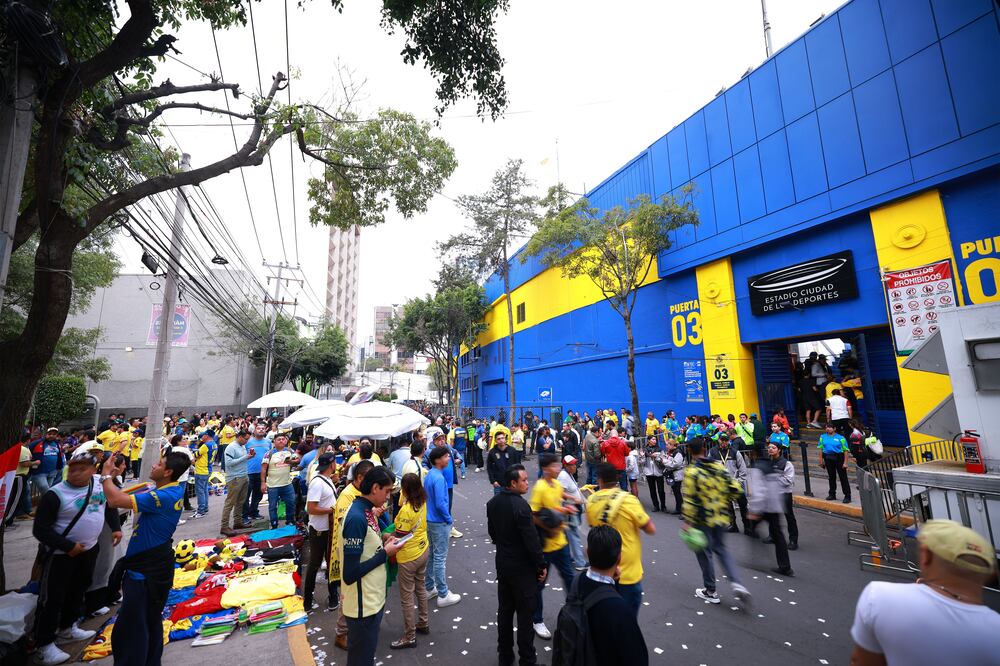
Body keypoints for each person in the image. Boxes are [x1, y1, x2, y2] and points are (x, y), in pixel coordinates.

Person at [849, 520, 1000, 665]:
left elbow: (863, 661)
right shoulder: (995, 631)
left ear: (926, 555)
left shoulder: (880, 597)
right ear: (990, 574)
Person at [101, 449, 190, 666]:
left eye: (159, 464)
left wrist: (105, 475)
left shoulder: (161, 496)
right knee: (148, 621)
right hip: (153, 566)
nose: (153, 465)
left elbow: (114, 500)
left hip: (144, 573)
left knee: (132, 628)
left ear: (168, 472)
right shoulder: (170, 490)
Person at [32, 450, 120, 666]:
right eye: (72, 469)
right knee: (52, 598)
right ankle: (43, 645)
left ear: (93, 470)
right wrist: (68, 546)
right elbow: (40, 530)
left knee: (78, 590)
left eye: (82, 469)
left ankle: (67, 628)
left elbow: (108, 505)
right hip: (61, 556)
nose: (76, 473)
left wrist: (116, 528)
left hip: (89, 550)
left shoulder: (99, 484)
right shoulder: (55, 494)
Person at [554, 525, 649, 666]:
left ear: (587, 552)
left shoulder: (577, 581)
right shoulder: (621, 610)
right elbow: (637, 658)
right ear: (619, 558)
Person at [340, 466, 403, 666]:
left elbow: (367, 547)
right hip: (362, 607)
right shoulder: (356, 518)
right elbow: (350, 573)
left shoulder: (366, 511)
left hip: (371, 601)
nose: (388, 496)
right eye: (387, 491)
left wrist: (384, 539)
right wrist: (385, 553)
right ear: (375, 488)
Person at [681, 438, 752, 609]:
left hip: (701, 519)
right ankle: (736, 583)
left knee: (704, 553)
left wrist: (687, 521)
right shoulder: (719, 467)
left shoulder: (692, 472)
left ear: (690, 451)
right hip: (720, 516)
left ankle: (710, 590)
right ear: (704, 450)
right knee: (721, 549)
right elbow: (735, 489)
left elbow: (690, 499)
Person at [487, 464, 546, 666]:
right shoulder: (521, 507)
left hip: (503, 564)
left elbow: (493, 534)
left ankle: (505, 655)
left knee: (505, 611)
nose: (528, 483)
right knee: (524, 616)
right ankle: (527, 659)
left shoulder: (493, 503)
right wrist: (541, 565)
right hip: (522, 569)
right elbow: (531, 540)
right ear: (513, 483)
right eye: (524, 480)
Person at [585, 462, 655, 616]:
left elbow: (593, 528)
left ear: (599, 480)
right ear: (617, 479)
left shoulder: (592, 500)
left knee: (605, 616)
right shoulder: (629, 500)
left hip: (603, 570)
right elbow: (650, 529)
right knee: (627, 619)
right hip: (627, 571)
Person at [530, 453, 579, 639]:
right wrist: (549, 528)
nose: (558, 468)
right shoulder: (539, 488)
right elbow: (534, 515)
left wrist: (568, 506)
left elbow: (556, 505)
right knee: (539, 584)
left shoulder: (557, 485)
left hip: (561, 543)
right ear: (545, 469)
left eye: (558, 465)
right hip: (545, 547)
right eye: (554, 466)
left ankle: (574, 613)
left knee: (570, 579)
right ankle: (537, 620)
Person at [331, 460, 375, 651]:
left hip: (359, 548)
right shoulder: (347, 495)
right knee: (348, 592)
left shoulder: (359, 493)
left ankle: (355, 627)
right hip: (347, 551)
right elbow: (347, 525)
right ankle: (341, 633)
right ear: (359, 478)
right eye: (370, 479)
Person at [390, 472, 431, 649]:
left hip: (409, 556)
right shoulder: (422, 501)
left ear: (406, 489)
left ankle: (409, 636)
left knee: (407, 597)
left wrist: (386, 536)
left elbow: (399, 535)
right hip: (423, 549)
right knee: (420, 587)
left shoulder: (407, 510)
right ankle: (423, 622)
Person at [748, 443, 795, 576]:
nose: (770, 449)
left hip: (764, 507)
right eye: (769, 448)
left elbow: (759, 491)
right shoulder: (770, 465)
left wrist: (755, 510)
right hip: (774, 505)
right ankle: (785, 567)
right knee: (778, 536)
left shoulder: (759, 467)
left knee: (752, 530)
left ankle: (758, 559)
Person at [424, 446, 461, 607]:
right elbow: (440, 503)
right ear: (438, 460)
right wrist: (448, 518)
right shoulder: (438, 478)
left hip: (430, 520)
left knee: (433, 556)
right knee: (439, 558)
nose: (448, 459)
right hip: (439, 522)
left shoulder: (430, 475)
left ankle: (430, 587)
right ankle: (443, 594)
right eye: (446, 456)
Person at [302, 453, 339, 611]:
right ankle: (308, 600)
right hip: (319, 530)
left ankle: (333, 596)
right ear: (331, 465)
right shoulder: (317, 483)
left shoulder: (327, 479)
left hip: (329, 529)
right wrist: (332, 510)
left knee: (331, 562)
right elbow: (311, 508)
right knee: (315, 564)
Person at [709, 434, 752, 535]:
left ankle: (747, 527)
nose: (724, 442)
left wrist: (737, 482)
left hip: (736, 485)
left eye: (726, 440)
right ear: (718, 440)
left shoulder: (735, 452)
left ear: (729, 441)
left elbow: (743, 469)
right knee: (728, 506)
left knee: (743, 505)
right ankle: (733, 525)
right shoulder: (712, 452)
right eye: (722, 440)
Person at [261, 434, 298, 529]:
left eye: (283, 439)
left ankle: (290, 521)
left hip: (287, 484)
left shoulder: (290, 451)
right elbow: (263, 469)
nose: (281, 441)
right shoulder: (269, 454)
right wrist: (263, 483)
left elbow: (298, 460)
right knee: (273, 506)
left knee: (291, 503)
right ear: (274, 442)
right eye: (279, 439)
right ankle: (274, 524)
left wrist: (292, 462)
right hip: (273, 485)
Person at [556, 456, 587, 570]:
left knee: (567, 535)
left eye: (575, 464)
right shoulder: (563, 476)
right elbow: (560, 493)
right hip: (569, 509)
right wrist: (573, 499)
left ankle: (566, 557)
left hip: (572, 508)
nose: (574, 466)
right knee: (573, 535)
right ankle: (580, 563)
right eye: (572, 465)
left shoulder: (568, 474)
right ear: (565, 465)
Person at [242, 424, 272, 523]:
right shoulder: (248, 442)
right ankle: (244, 515)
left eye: (263, 428)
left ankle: (253, 512)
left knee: (258, 494)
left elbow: (270, 455)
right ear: (254, 431)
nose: (261, 430)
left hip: (262, 472)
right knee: (246, 495)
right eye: (258, 428)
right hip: (248, 472)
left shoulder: (268, 442)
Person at [818, 423, 851, 503]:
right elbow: (821, 449)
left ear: (834, 428)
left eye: (829, 427)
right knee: (831, 477)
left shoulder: (841, 438)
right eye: (826, 427)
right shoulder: (822, 437)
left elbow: (846, 451)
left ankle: (847, 496)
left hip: (839, 457)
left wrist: (845, 463)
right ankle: (832, 494)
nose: (827, 429)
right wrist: (821, 461)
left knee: (843, 477)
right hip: (828, 458)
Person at [29, 428, 65, 498]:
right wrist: (32, 463)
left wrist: (59, 468)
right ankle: (49, 503)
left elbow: (60, 456)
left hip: (52, 472)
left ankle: (43, 504)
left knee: (45, 493)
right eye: (49, 434)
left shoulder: (57, 444)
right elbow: (28, 452)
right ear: (46, 434)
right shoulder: (36, 443)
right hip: (39, 472)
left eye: (54, 434)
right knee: (46, 491)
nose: (51, 436)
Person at [487, 432, 522, 496]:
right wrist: (493, 481)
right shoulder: (492, 452)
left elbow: (518, 466)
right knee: (499, 502)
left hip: (512, 484)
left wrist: (518, 480)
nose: (501, 440)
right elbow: (489, 467)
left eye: (502, 438)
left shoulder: (512, 450)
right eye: (498, 439)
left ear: (505, 439)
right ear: (495, 441)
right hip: (499, 485)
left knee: (513, 501)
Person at [190, 431, 213, 518]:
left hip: (201, 470)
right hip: (208, 469)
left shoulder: (206, 445)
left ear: (206, 436)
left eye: (202, 436)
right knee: (204, 490)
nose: (201, 438)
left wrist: (195, 454)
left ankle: (201, 511)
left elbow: (195, 455)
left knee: (200, 491)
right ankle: (205, 508)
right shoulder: (214, 444)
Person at [640, 435, 666, 512]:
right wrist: (642, 456)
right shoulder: (644, 450)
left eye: (655, 439)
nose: (654, 441)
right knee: (652, 490)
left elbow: (663, 460)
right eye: (653, 439)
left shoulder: (659, 449)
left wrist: (656, 457)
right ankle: (656, 506)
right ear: (648, 440)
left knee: (661, 490)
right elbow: (641, 462)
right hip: (649, 472)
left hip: (658, 472)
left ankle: (663, 506)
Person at [662, 439, 685, 514]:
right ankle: (678, 509)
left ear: (672, 445)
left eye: (667, 445)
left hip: (677, 475)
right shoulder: (672, 452)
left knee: (677, 492)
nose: (666, 446)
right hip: (673, 474)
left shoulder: (678, 452)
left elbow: (675, 464)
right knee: (675, 492)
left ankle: (681, 510)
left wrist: (664, 461)